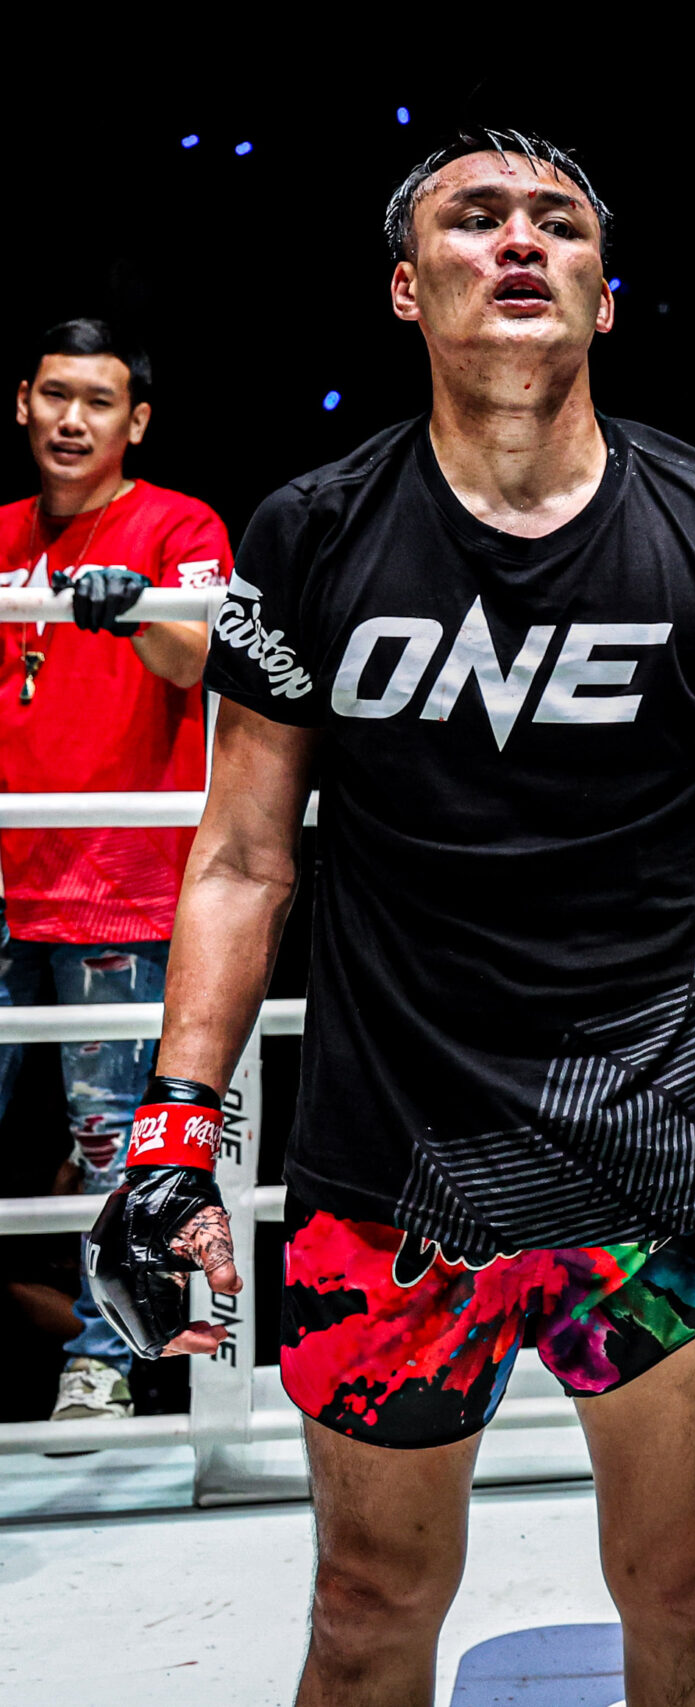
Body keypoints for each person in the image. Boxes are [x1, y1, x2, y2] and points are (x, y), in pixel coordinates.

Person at [86, 129, 695, 1707]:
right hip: (390, 1161)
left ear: (607, 294)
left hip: (659, 1151)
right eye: (475, 217)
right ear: (407, 287)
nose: (520, 241)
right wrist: (173, 1126)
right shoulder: (311, 530)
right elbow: (244, 853)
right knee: (366, 1604)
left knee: (691, 1589)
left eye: (559, 222)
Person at [0, 318, 229, 1426]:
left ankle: (103, 1364)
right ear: (23, 403)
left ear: (134, 421)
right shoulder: (0, 531)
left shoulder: (180, 525)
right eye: (56, 395)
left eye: (99, 401)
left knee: (110, 1151)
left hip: (117, 891)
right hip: (4, 879)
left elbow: (202, 654)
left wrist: (134, 604)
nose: (72, 419)